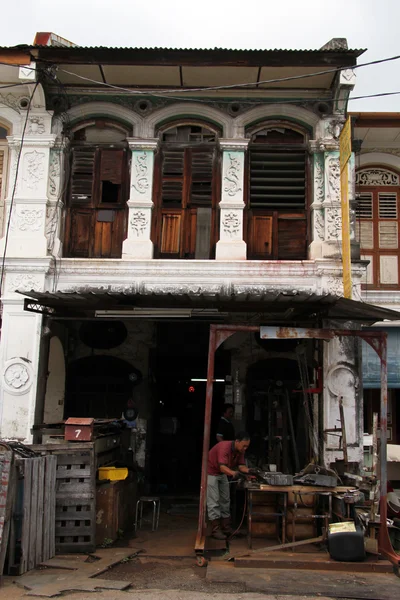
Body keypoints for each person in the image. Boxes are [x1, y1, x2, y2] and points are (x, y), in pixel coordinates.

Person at [207, 432, 251, 540]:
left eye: (247, 446)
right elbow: (222, 467)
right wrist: (234, 473)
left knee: (226, 500)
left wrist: (251, 471)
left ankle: (226, 528)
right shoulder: (224, 447)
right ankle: (215, 530)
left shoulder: (240, 451)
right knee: (214, 501)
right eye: (244, 445)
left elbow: (241, 466)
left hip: (223, 474)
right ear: (237, 441)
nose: (245, 448)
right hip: (211, 472)